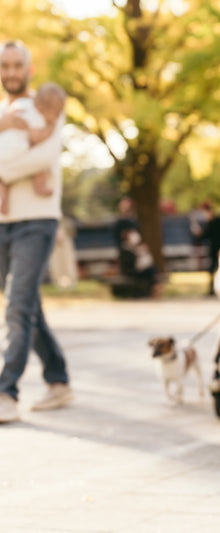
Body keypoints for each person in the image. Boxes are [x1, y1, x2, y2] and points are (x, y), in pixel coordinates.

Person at [0, 40, 72, 423]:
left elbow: (44, 156)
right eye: (4, 66)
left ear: (28, 69)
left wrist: (5, 166)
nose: (10, 72)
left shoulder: (47, 105)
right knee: (27, 307)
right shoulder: (0, 113)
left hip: (38, 219)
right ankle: (59, 380)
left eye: (17, 65)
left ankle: (6, 391)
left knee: (16, 305)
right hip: (2, 223)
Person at [0, 81, 66, 215]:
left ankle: (3, 200)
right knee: (40, 168)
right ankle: (39, 187)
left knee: (3, 181)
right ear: (42, 109)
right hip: (17, 149)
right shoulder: (39, 117)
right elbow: (36, 137)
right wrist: (49, 129)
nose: (57, 117)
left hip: (4, 149)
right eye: (56, 112)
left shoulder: (20, 105)